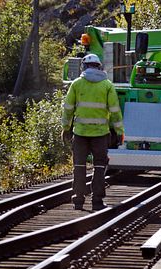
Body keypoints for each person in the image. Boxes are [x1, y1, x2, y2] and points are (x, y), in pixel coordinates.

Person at [62, 53, 124, 211]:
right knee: (99, 166)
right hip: (100, 134)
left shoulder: (76, 84)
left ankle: (78, 200)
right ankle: (97, 201)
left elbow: (68, 109)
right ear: (99, 67)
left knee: (79, 166)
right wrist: (119, 131)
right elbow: (115, 111)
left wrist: (66, 128)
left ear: (84, 67)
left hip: (80, 134)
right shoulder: (107, 85)